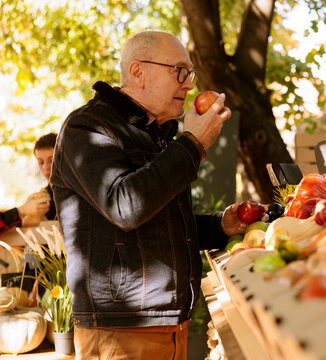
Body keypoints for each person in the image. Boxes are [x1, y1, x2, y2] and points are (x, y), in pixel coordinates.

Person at [50, 30, 248, 360]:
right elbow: (125, 206)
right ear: (138, 72)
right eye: (179, 71)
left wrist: (221, 227)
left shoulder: (152, 135)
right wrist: (192, 144)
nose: (188, 84)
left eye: (190, 74)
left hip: (168, 324)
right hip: (121, 329)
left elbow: (159, 226)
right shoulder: (87, 128)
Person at [0, 133, 58, 235]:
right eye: (40, 162)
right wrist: (25, 212)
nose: (46, 168)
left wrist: (22, 210)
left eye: (52, 160)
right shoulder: (39, 199)